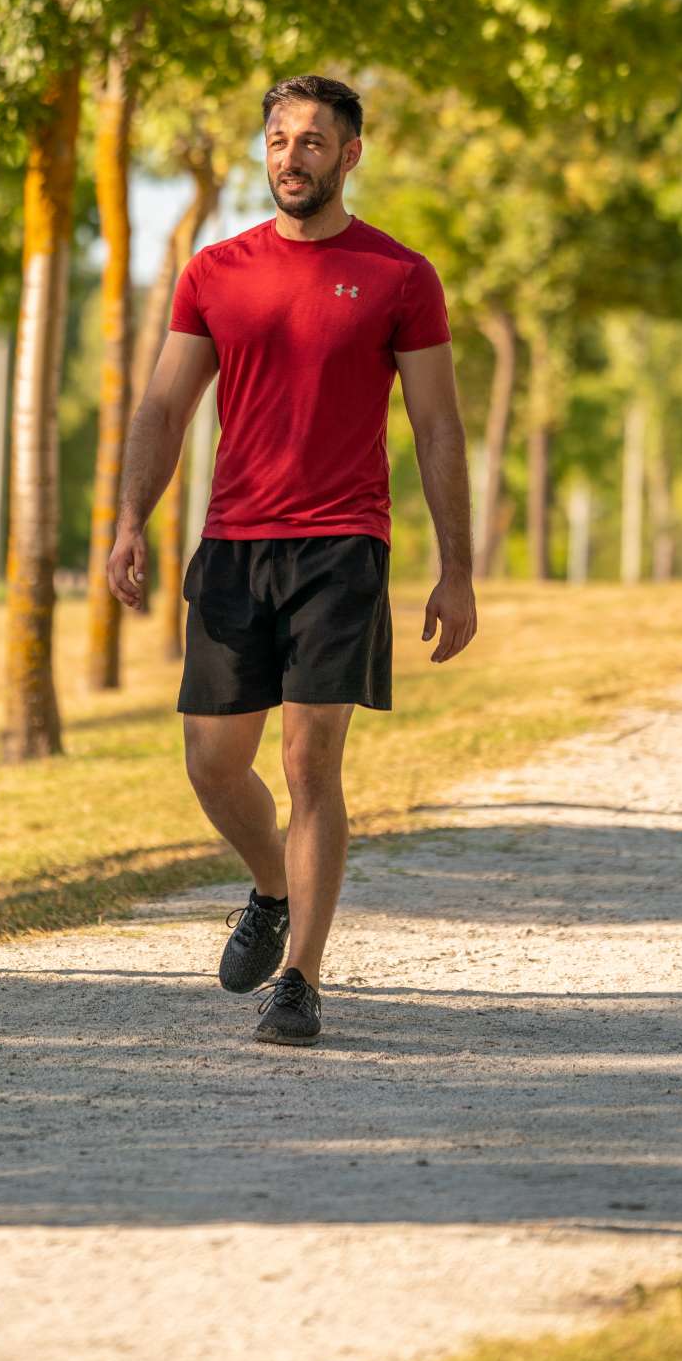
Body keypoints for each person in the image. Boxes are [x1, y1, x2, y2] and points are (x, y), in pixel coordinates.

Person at [107, 74, 476, 1046]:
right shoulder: (214, 270)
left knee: (311, 759)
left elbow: (436, 423)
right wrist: (128, 520)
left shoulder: (401, 275)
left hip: (342, 545)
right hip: (233, 545)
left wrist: (458, 566)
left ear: (350, 154)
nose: (292, 156)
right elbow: (163, 407)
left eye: (313, 140)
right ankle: (270, 886)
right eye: (277, 139)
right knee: (213, 762)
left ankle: (302, 979)